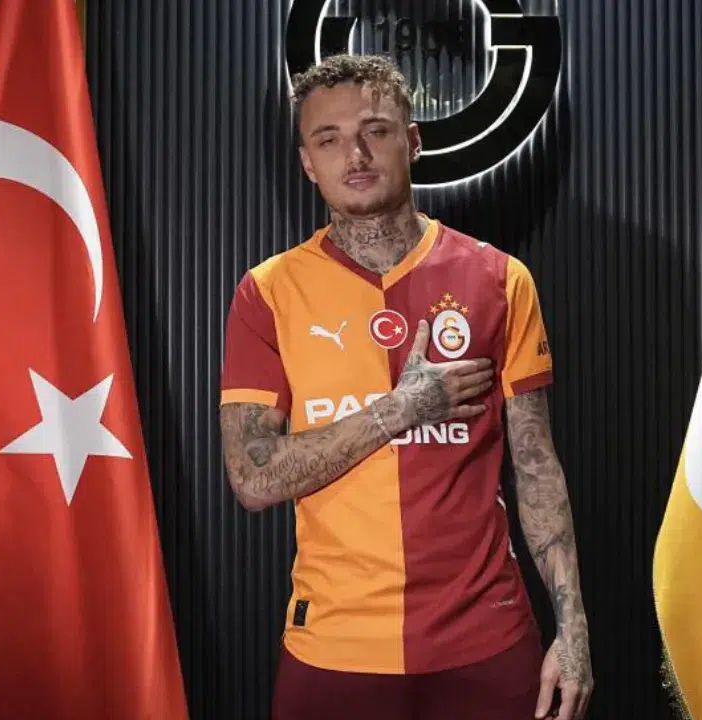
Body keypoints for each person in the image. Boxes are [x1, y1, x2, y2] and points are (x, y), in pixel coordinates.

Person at [218, 53, 592, 720]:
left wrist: (573, 628)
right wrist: (400, 410)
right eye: (328, 139)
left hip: (486, 640)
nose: (355, 154)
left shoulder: (500, 279)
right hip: (335, 647)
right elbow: (253, 479)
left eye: (376, 130)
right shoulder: (268, 293)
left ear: (413, 141)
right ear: (307, 163)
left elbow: (537, 467)